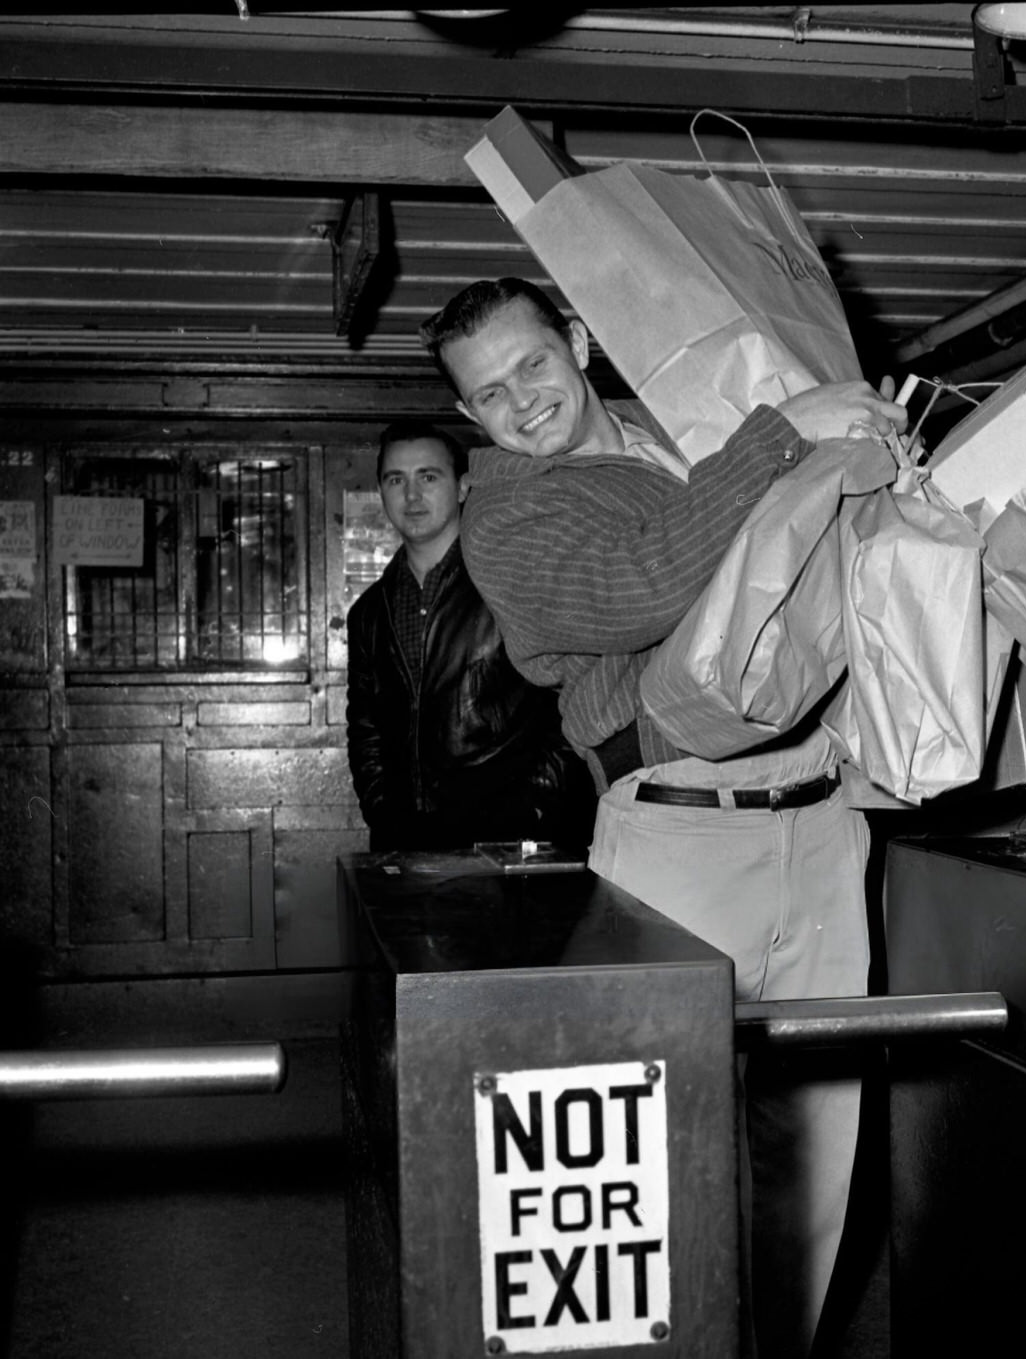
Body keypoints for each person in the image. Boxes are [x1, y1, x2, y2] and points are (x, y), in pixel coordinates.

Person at [419, 278, 906, 1358]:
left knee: (814, 1146)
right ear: (467, 415)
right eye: (489, 394)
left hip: (821, 822)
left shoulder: (684, 423)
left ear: (578, 341)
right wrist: (784, 432)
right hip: (680, 831)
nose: (521, 401)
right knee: (667, 1148)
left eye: (532, 365)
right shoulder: (505, 517)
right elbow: (641, 585)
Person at [346, 418, 595, 852]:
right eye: (396, 480)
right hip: (409, 847)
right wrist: (384, 813)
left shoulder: (513, 580)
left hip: (516, 845)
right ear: (381, 491)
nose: (412, 495)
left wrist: (535, 811)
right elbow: (366, 728)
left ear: (463, 487)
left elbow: (575, 697)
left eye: (428, 477)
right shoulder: (369, 612)